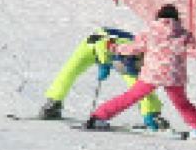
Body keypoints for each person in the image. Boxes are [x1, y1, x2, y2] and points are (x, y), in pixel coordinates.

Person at [86, 5, 196, 139]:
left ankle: (99, 117)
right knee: (182, 103)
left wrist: (115, 47)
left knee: (130, 96)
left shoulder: (150, 33)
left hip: (152, 75)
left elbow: (133, 48)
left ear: (158, 17)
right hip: (173, 76)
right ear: (177, 18)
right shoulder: (184, 36)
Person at [39, 25, 167, 128]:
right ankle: (53, 102)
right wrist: (104, 63)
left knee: (138, 85)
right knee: (69, 70)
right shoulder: (124, 48)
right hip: (92, 47)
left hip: (122, 57)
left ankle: (152, 113)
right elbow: (103, 43)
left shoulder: (145, 58)